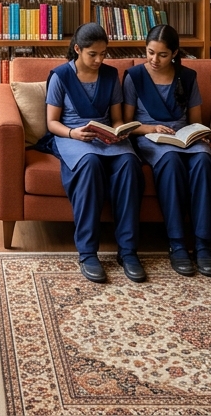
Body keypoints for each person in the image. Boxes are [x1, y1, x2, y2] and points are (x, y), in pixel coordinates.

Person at [44, 23, 146, 284]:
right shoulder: (60, 76)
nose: (99, 59)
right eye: (93, 54)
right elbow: (52, 122)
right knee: (89, 164)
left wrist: (118, 131)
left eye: (104, 54)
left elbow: (115, 118)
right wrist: (73, 133)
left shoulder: (111, 75)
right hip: (72, 136)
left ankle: (128, 251)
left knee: (129, 163)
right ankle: (88, 253)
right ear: (77, 49)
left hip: (103, 137)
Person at [122, 24, 211, 277]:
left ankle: (202, 244)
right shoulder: (133, 76)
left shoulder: (187, 77)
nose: (154, 60)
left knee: (203, 160)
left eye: (162, 55)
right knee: (170, 161)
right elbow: (126, 125)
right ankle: (177, 244)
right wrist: (149, 128)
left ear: (175, 53)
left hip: (183, 136)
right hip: (151, 138)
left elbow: (196, 120)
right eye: (150, 52)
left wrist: (198, 135)